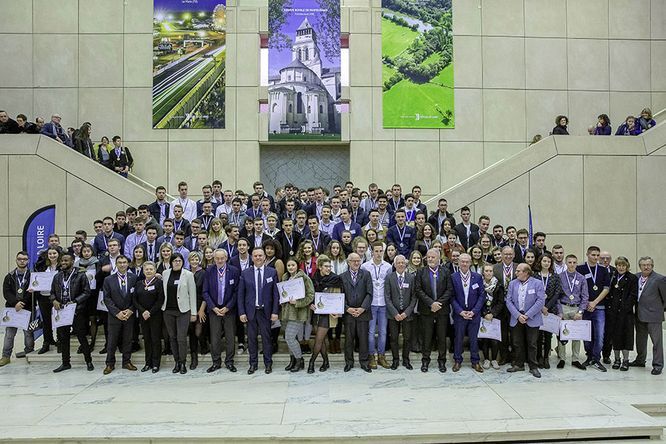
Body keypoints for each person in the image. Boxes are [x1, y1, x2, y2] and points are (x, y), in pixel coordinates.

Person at [238, 247, 280, 374]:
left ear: (264, 257)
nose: (258, 258)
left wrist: (275, 312)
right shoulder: (245, 273)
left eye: (260, 255)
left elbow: (275, 295)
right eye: (255, 256)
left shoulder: (271, 272)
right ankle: (253, 364)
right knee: (251, 340)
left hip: (266, 312)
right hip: (251, 312)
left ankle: (268, 364)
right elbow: (240, 294)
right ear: (252, 258)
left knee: (267, 339)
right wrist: (242, 312)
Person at [50, 253, 94, 372]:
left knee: (81, 337)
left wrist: (75, 301)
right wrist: (54, 300)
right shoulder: (57, 276)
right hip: (61, 311)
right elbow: (52, 292)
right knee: (63, 338)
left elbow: (86, 292)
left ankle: (88, 361)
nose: (63, 263)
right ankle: (65, 363)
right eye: (62, 261)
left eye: (66, 260)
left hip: (76, 311)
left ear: (73, 261)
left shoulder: (80, 275)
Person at [415, 248, 453, 373]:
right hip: (426, 310)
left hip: (442, 310)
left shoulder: (446, 271)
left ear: (439, 258)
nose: (430, 259)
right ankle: (425, 360)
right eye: (428, 257)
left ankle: (442, 361)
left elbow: (449, 290)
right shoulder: (421, 272)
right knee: (427, 337)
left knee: (442, 337)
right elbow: (418, 289)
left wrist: (439, 303)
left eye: (432, 257)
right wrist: (431, 303)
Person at [203, 249, 240, 373]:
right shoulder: (209, 271)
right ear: (213, 259)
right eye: (217, 258)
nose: (219, 260)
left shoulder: (234, 271)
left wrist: (228, 307)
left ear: (226, 258)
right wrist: (213, 307)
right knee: (215, 337)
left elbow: (236, 291)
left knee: (230, 337)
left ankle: (229, 361)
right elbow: (205, 292)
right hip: (214, 310)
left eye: (222, 258)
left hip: (229, 309)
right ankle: (216, 362)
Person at [505, 263, 546, 378]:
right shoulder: (513, 283)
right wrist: (518, 315)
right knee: (517, 343)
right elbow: (508, 301)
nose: (516, 272)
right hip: (516, 317)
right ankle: (519, 364)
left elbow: (540, 301)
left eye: (518, 271)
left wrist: (527, 315)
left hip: (531, 318)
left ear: (526, 272)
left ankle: (533, 366)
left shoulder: (537, 283)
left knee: (532, 344)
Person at [161, 253, 197, 374]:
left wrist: (194, 313)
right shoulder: (165, 274)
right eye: (175, 260)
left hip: (183, 311)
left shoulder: (188, 275)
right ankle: (176, 362)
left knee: (181, 338)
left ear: (183, 262)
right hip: (168, 310)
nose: (177, 262)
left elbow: (192, 294)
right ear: (171, 262)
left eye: (179, 260)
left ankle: (183, 362)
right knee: (172, 337)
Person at [102, 255, 138, 374]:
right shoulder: (108, 279)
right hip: (114, 315)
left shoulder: (134, 278)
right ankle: (109, 363)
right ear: (116, 265)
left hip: (129, 314)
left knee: (128, 339)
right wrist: (117, 312)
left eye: (124, 262)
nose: (122, 265)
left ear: (128, 264)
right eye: (119, 263)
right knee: (112, 340)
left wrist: (131, 310)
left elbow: (137, 297)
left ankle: (126, 361)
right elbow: (106, 299)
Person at [630, 256, 666, 375]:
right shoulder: (636, 277)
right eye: (644, 265)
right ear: (640, 266)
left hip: (654, 316)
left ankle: (658, 365)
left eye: (649, 265)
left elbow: (664, 297)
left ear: (652, 265)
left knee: (656, 342)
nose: (646, 267)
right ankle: (640, 360)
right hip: (639, 314)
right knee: (640, 340)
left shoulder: (660, 279)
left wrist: (659, 310)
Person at [577, 246, 611, 371]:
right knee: (586, 334)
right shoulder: (580, 269)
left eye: (598, 255)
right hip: (585, 307)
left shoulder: (603, 270)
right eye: (593, 255)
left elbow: (606, 288)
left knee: (599, 335)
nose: (596, 257)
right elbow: (578, 289)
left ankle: (596, 358)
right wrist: (586, 303)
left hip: (599, 307)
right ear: (587, 254)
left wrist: (595, 303)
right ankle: (589, 356)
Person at [450, 253, 485, 372]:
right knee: (458, 338)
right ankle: (457, 360)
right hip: (460, 314)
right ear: (458, 263)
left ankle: (475, 361)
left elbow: (481, 296)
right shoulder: (453, 277)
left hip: (474, 314)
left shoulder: (477, 277)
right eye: (462, 261)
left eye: (467, 261)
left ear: (470, 263)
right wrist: (460, 311)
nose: (464, 264)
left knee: (474, 338)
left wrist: (474, 311)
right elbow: (452, 297)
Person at [361, 241, 393, 370]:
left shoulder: (388, 266)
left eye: (381, 251)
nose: (379, 253)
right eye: (376, 251)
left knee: (383, 332)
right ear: (371, 251)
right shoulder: (365, 266)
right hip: (371, 303)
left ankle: (381, 356)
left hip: (384, 303)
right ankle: (371, 356)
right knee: (371, 332)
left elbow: (389, 286)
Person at [281, 258, 315, 373]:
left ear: (297, 266)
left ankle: (300, 360)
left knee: (289, 337)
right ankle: (293, 360)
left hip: (298, 313)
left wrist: (298, 303)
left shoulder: (304, 278)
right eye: (289, 265)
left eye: (293, 265)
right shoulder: (285, 278)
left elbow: (311, 295)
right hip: (287, 313)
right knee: (291, 338)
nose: (290, 267)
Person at [1, 251, 34, 366]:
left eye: (24, 259)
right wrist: (15, 303)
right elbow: (6, 292)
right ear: (16, 260)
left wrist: (22, 303)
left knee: (28, 333)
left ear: (28, 261)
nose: (22, 261)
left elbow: (32, 292)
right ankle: (6, 356)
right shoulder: (9, 276)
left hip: (27, 308)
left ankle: (29, 354)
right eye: (20, 259)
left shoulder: (32, 276)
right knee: (9, 334)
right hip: (12, 309)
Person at [556, 254, 589, 370]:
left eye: (574, 262)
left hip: (576, 308)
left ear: (577, 263)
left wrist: (580, 312)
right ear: (566, 263)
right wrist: (559, 312)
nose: (572, 265)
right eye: (569, 262)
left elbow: (585, 297)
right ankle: (562, 358)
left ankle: (575, 359)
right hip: (564, 306)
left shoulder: (581, 278)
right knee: (562, 334)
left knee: (576, 334)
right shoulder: (559, 277)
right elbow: (557, 296)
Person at [341, 253, 373, 373]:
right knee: (349, 339)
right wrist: (347, 308)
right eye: (353, 261)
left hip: (363, 313)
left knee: (363, 339)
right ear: (348, 262)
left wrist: (362, 308)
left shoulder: (366, 274)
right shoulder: (342, 277)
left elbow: (370, 293)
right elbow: (340, 295)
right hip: (348, 313)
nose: (356, 263)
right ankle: (349, 362)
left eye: (358, 261)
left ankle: (364, 362)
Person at [311, 255, 344, 370]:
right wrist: (311, 303)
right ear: (320, 267)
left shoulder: (335, 279)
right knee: (322, 340)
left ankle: (311, 362)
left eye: (330, 266)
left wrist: (339, 311)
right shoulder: (314, 278)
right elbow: (311, 294)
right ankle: (326, 362)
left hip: (328, 313)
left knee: (319, 339)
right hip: (316, 312)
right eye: (326, 266)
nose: (329, 268)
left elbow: (339, 296)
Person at [604, 256, 637, 371]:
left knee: (626, 337)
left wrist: (624, 308)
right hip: (613, 313)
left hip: (626, 314)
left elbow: (633, 296)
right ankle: (617, 359)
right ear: (616, 266)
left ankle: (625, 360)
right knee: (615, 337)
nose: (621, 267)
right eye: (619, 265)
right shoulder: (612, 276)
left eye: (623, 265)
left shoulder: (632, 278)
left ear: (627, 266)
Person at [384, 255, 417, 370]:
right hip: (393, 314)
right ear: (395, 264)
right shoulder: (389, 277)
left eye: (403, 262)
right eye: (398, 263)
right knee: (393, 338)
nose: (401, 265)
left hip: (407, 314)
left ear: (406, 264)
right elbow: (387, 297)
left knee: (407, 338)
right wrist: (395, 313)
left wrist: (406, 312)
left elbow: (414, 297)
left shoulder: (411, 278)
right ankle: (395, 360)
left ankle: (406, 359)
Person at [534, 253, 565, 369]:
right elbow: (533, 293)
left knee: (548, 335)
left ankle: (546, 357)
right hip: (537, 309)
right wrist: (541, 306)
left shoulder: (555, 277)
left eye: (548, 261)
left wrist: (547, 307)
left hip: (550, 310)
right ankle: (538, 357)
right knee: (537, 335)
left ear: (551, 263)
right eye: (544, 261)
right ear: (540, 262)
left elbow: (557, 294)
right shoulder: (535, 276)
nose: (546, 263)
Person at [132, 261, 164, 373]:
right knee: (147, 340)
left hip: (155, 315)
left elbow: (160, 300)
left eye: (151, 269)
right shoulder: (139, 283)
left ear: (155, 271)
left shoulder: (158, 283)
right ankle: (148, 363)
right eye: (146, 269)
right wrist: (143, 311)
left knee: (155, 339)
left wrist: (150, 312)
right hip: (143, 316)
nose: (149, 271)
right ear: (143, 271)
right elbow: (135, 300)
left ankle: (156, 363)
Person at [35, 246, 61, 354]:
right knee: (46, 321)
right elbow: (35, 279)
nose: (52, 256)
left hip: (57, 298)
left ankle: (60, 342)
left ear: (58, 254)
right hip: (43, 296)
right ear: (47, 255)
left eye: (54, 253)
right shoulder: (42, 266)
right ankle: (47, 342)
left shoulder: (62, 266)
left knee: (59, 320)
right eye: (50, 254)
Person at [480, 264, 504, 369]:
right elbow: (478, 301)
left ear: (493, 272)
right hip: (483, 316)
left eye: (490, 271)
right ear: (483, 272)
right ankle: (486, 359)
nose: (488, 273)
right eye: (486, 271)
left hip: (495, 316)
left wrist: (493, 313)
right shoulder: (479, 285)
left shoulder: (498, 285)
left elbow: (500, 302)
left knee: (494, 340)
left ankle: (494, 359)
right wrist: (485, 313)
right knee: (485, 339)